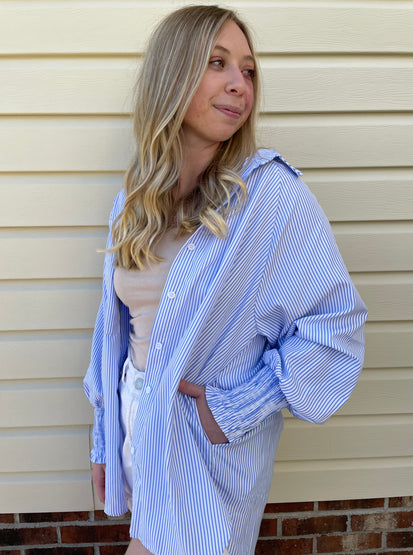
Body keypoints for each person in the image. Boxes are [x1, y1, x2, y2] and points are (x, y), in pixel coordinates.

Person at [83, 5, 368, 555]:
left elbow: (335, 328)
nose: (240, 85)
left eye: (249, 70)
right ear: (173, 74)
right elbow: (111, 332)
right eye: (218, 63)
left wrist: (234, 407)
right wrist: (106, 435)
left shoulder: (272, 200)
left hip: (205, 444)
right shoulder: (133, 204)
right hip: (139, 425)